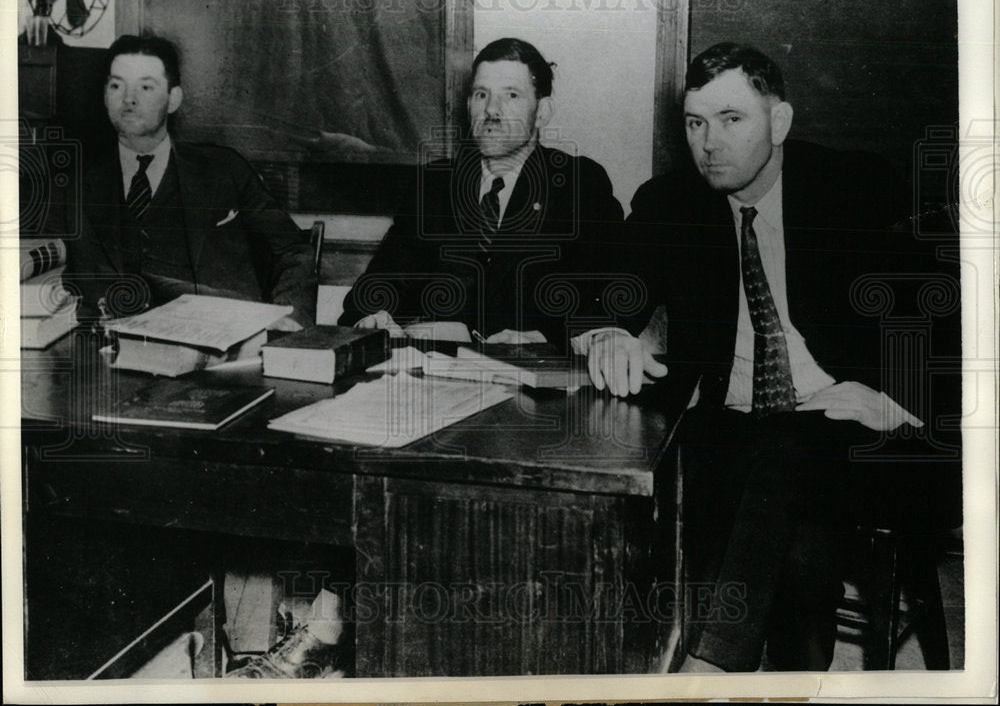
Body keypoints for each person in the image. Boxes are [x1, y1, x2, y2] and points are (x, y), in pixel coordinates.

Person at [579, 42, 959, 671]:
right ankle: (787, 681)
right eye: (696, 123)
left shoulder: (855, 188)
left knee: (787, 455)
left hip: (864, 431)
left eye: (733, 119)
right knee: (795, 530)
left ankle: (711, 667)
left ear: (778, 122)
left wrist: (894, 399)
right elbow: (607, 297)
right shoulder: (670, 202)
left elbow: (952, 320)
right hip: (739, 433)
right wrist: (608, 333)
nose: (709, 142)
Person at [339, 37, 624, 349]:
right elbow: (375, 289)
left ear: (542, 112)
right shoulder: (435, 184)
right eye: (481, 95)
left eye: (511, 95)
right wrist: (376, 317)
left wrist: (545, 337)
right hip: (436, 380)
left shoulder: (578, 185)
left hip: (534, 383)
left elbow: (607, 299)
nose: (491, 110)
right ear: (468, 106)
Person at [50, 33, 316, 328]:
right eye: (116, 85)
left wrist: (288, 326)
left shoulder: (225, 170)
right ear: (104, 95)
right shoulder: (73, 185)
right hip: (113, 354)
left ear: (173, 98)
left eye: (146, 87)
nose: (128, 99)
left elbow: (293, 253)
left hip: (223, 351)